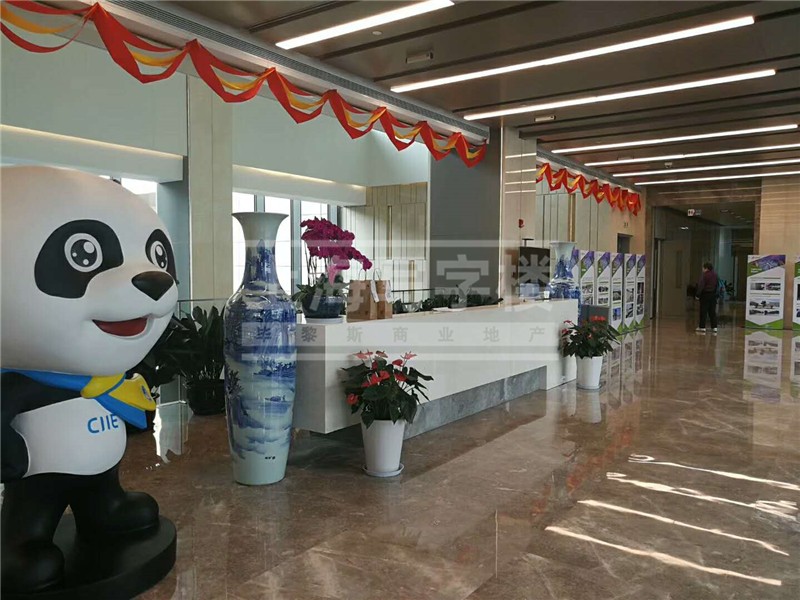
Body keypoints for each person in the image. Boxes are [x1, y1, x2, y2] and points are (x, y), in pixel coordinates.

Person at [695, 262, 719, 333]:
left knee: (703, 311)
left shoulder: (704, 275)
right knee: (712, 312)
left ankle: (702, 327)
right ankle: (714, 327)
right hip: (713, 295)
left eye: (703, 268)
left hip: (705, 295)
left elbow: (701, 285)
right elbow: (717, 285)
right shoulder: (715, 275)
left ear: (706, 268)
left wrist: (697, 295)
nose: (702, 269)